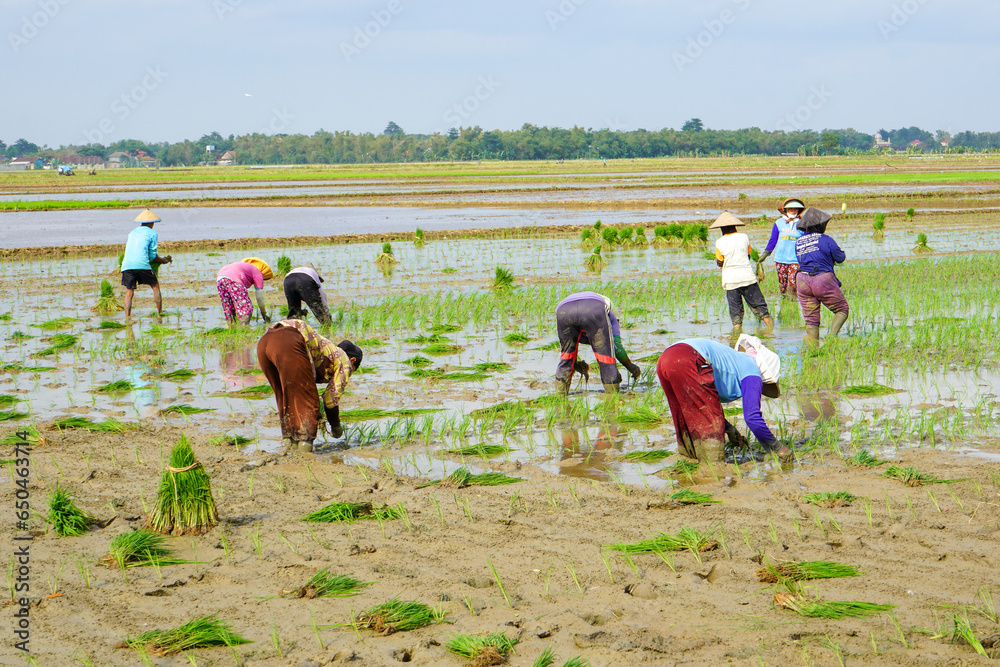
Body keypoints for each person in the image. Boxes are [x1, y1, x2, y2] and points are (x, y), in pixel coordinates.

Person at [656, 334, 792, 463]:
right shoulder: (753, 371)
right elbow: (752, 417)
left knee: (684, 414)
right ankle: (714, 467)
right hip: (690, 357)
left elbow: (706, 407)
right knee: (710, 429)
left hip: (665, 359)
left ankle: (688, 459)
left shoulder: (735, 360)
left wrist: (730, 429)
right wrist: (779, 448)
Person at [257, 319, 363, 452]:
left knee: (286, 396)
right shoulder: (345, 361)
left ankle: (293, 445)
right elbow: (331, 400)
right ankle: (304, 451)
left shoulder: (325, 351)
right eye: (353, 369)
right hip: (288, 340)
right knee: (309, 400)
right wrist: (336, 427)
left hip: (265, 341)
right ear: (353, 361)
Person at [554, 291, 641, 394]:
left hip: (563, 310)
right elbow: (615, 346)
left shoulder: (570, 303)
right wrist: (630, 366)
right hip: (593, 309)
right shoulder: (609, 312)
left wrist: (575, 364)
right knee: (606, 359)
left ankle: (560, 400)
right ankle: (613, 398)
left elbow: (569, 348)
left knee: (566, 357)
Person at [712, 212, 774, 331]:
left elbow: (720, 261)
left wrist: (720, 262)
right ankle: (771, 331)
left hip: (731, 281)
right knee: (761, 308)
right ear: (735, 226)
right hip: (747, 277)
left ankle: (736, 335)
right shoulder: (744, 237)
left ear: (721, 228)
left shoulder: (719, 242)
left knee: (736, 312)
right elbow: (748, 254)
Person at [795, 207, 849, 342]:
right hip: (822, 279)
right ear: (821, 226)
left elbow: (802, 260)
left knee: (811, 319)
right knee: (842, 310)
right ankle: (831, 338)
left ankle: (812, 351)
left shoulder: (799, 242)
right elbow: (840, 258)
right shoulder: (826, 239)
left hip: (802, 280)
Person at [121, 209, 172, 317]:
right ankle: (160, 313)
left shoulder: (132, 232)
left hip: (127, 265)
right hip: (142, 264)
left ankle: (127, 318)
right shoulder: (152, 233)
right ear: (150, 222)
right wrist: (163, 260)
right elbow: (153, 256)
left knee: (129, 292)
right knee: (155, 287)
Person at [758, 198, 806, 298]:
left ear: (798, 210)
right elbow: (773, 240)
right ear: (785, 210)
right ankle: (785, 301)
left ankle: (792, 302)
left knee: (793, 283)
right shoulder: (779, 223)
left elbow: (807, 241)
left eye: (795, 209)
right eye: (790, 209)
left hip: (795, 260)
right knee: (782, 285)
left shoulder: (802, 224)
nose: (792, 211)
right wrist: (765, 254)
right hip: (781, 259)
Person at [216, 257, 273, 325]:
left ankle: (230, 325)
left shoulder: (245, 266)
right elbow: (259, 297)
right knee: (246, 306)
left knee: (228, 305)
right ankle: (244, 326)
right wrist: (264, 314)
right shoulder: (258, 272)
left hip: (220, 277)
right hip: (234, 277)